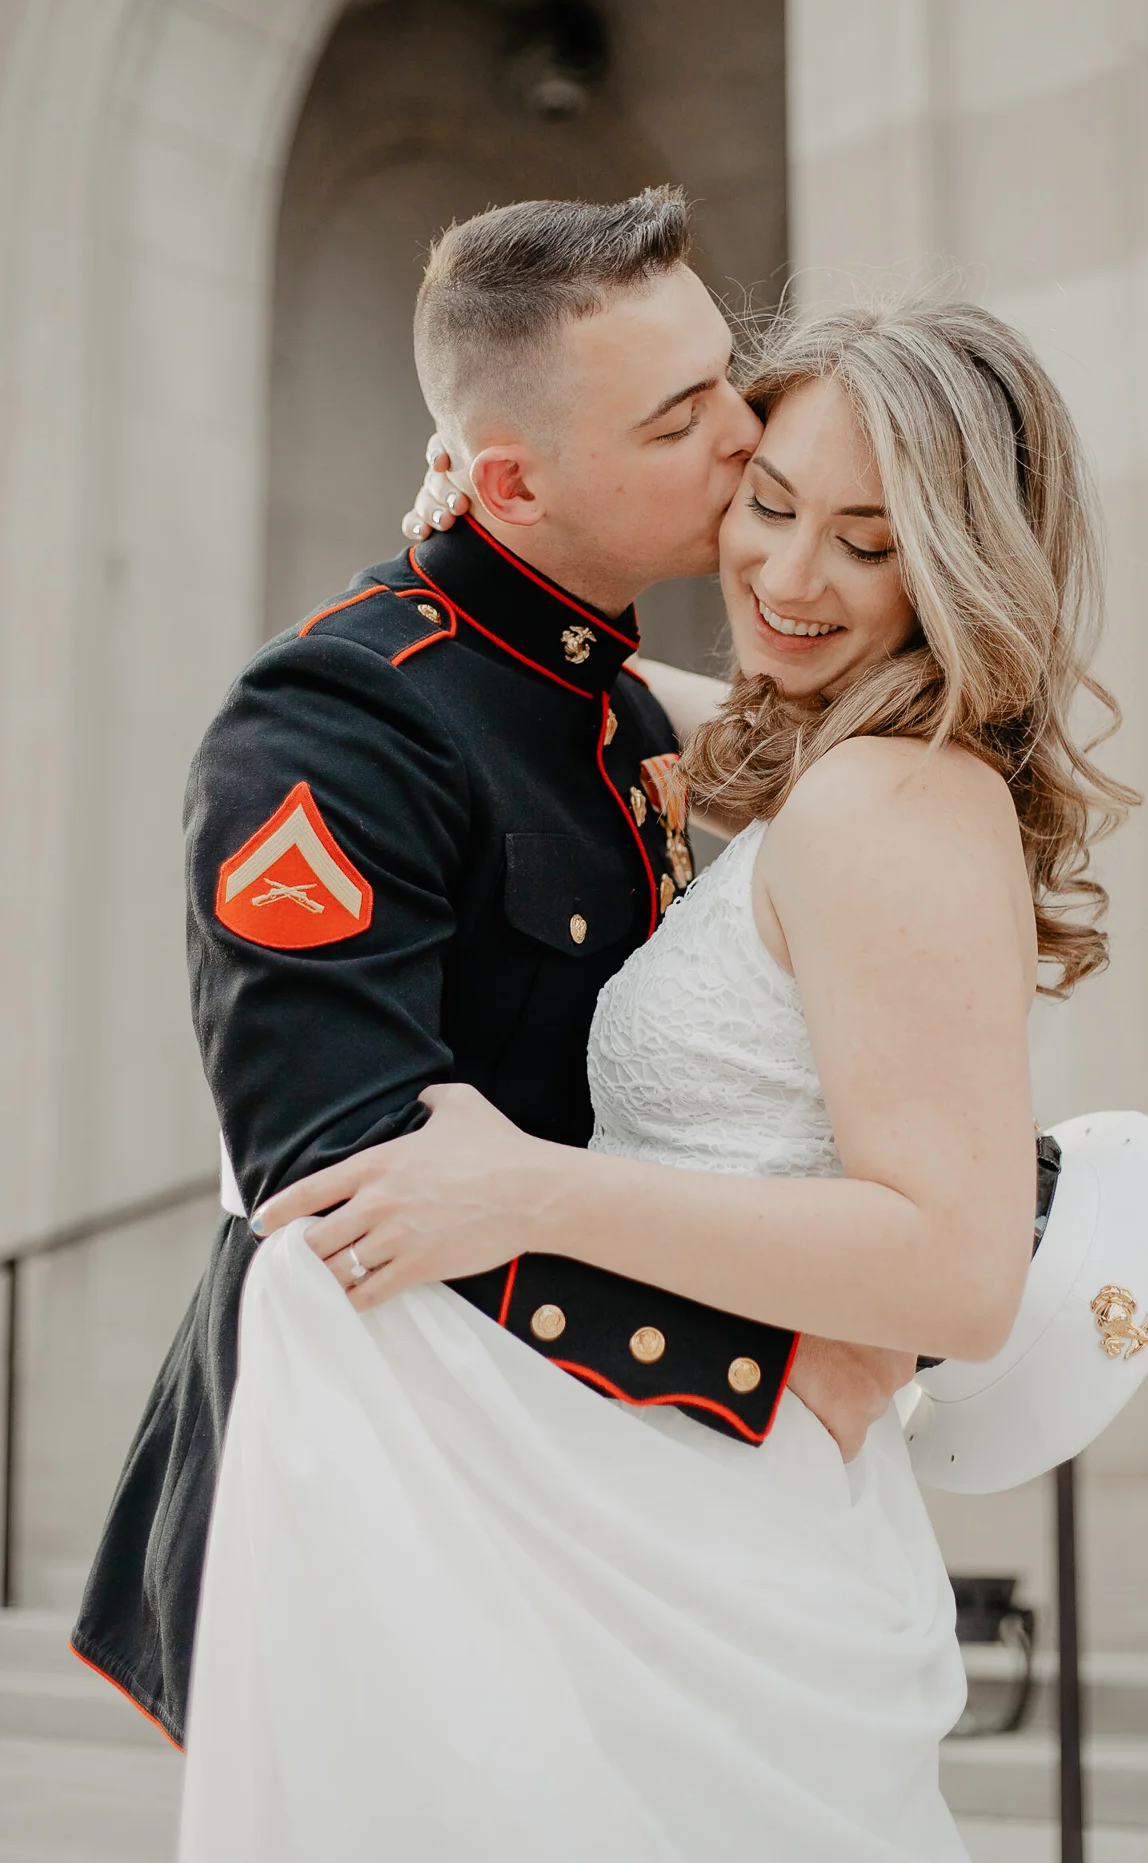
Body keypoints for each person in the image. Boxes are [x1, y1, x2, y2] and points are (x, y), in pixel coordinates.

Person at [177, 277, 1134, 1858]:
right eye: (763, 497)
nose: (787, 570)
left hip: (709, 1502)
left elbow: (957, 1278)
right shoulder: (797, 747)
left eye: (869, 540)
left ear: (960, 563)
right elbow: (553, 701)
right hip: (637, 1478)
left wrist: (535, 1185)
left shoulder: (891, 800)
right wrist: (484, 511)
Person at [71, 188, 926, 1748]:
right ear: (514, 479)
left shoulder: (586, 676)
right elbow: (347, 1184)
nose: (743, 436)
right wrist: (774, 1350)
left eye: (727, 377)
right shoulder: (337, 725)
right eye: (681, 422)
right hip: (397, 1508)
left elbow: (809, 771)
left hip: (596, 1490)